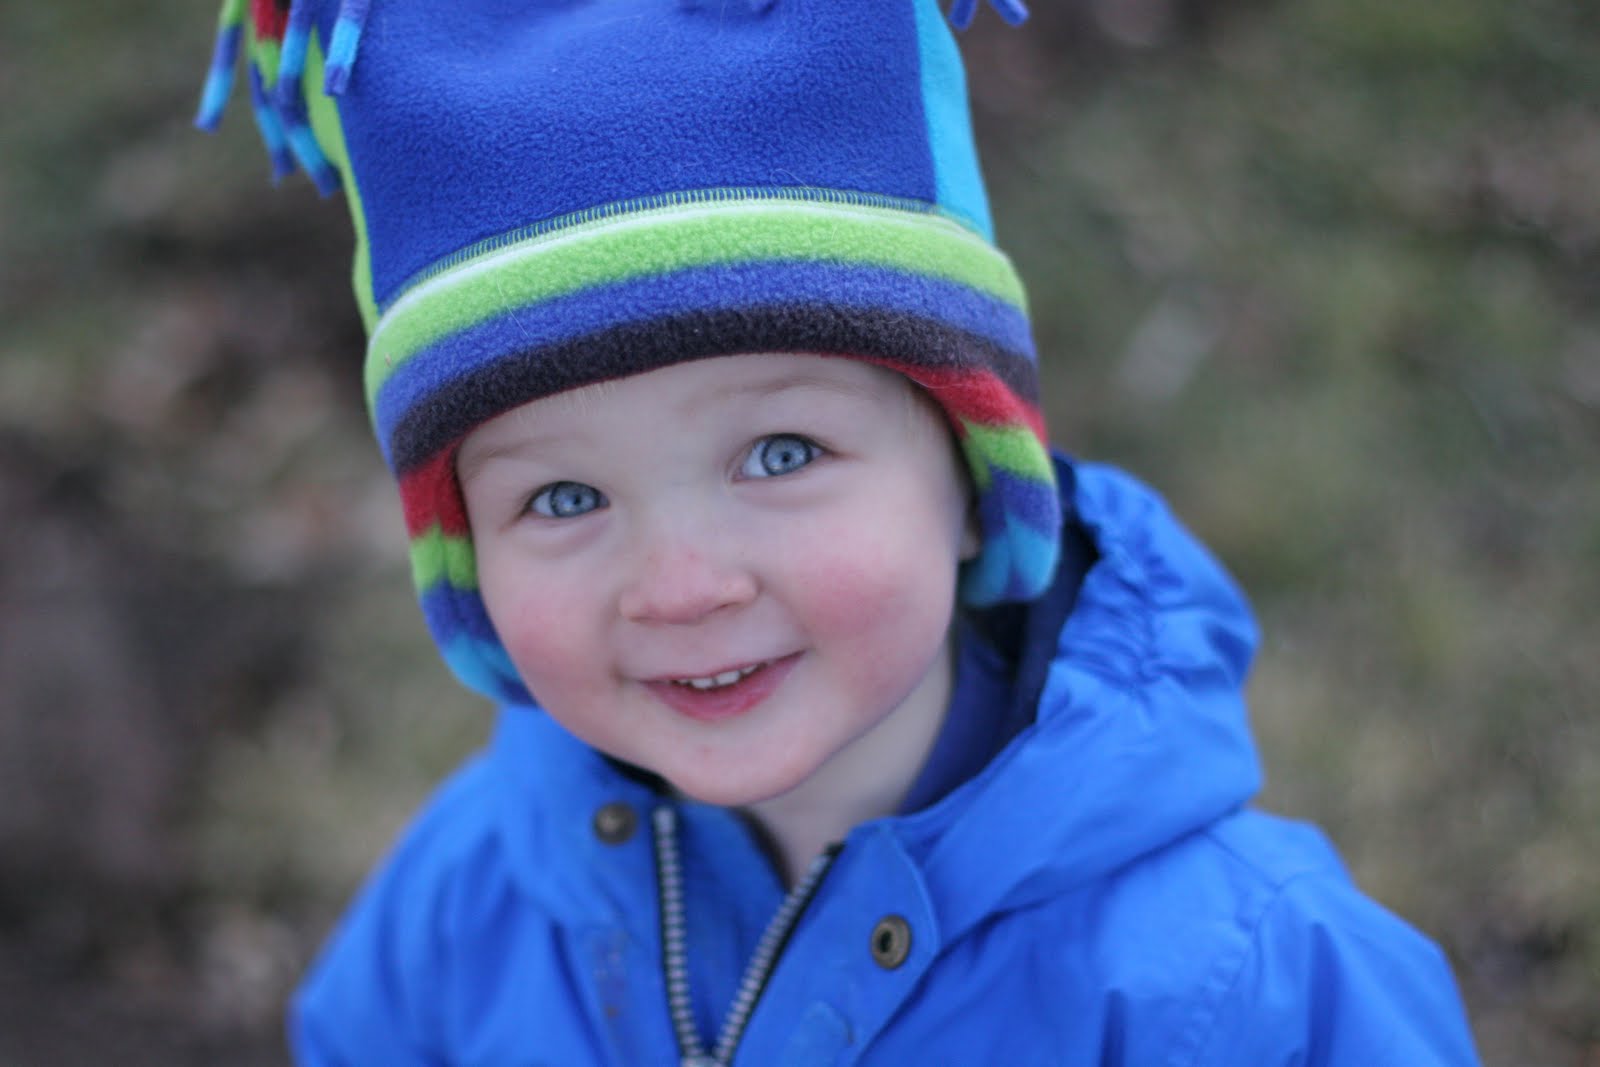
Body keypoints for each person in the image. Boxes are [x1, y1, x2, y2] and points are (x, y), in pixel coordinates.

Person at [196, 0, 1483, 1063]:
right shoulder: (470, 899)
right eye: (566, 498)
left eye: (779, 453)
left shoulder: (1242, 987)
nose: (680, 585)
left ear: (972, 480)